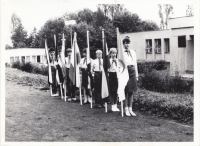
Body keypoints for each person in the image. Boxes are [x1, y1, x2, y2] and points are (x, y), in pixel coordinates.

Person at [123, 36, 138, 116]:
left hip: (132, 71)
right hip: (125, 71)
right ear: (123, 44)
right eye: (125, 43)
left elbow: (135, 63)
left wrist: (137, 75)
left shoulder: (133, 52)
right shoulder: (121, 52)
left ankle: (130, 108)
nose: (127, 45)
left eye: (128, 43)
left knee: (131, 91)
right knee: (125, 90)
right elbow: (120, 64)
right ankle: (126, 108)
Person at [108, 48, 120, 112]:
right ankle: (112, 105)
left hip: (116, 75)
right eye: (112, 53)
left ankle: (115, 105)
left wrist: (116, 62)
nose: (114, 54)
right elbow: (107, 69)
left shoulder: (118, 61)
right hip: (111, 75)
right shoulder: (108, 61)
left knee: (116, 91)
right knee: (112, 91)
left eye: (115, 53)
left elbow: (120, 68)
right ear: (110, 54)